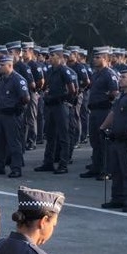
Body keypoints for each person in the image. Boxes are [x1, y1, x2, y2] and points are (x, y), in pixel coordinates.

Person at [100, 65, 127, 212]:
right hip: (117, 139)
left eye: (123, 77)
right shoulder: (122, 95)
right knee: (117, 170)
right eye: (120, 77)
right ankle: (118, 198)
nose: (120, 79)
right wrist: (103, 127)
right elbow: (113, 114)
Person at [35, 46, 76, 174]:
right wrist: (47, 94)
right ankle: (48, 162)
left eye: (52, 56)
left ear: (59, 57)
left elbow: (72, 90)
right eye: (50, 56)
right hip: (51, 105)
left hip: (60, 105)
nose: (50, 58)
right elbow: (46, 85)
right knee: (50, 135)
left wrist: (61, 98)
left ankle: (63, 164)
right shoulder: (50, 70)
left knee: (63, 136)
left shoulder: (64, 70)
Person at [81, 47, 119, 180]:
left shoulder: (109, 74)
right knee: (95, 140)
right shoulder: (96, 73)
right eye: (95, 57)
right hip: (94, 110)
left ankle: (106, 170)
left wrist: (105, 99)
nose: (95, 59)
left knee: (105, 141)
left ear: (105, 59)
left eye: (98, 57)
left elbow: (115, 92)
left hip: (104, 110)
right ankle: (96, 167)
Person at [0, 56, 31, 178]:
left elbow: (26, 98)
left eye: (1, 65)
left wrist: (17, 107)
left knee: (14, 143)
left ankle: (16, 168)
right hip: (1, 114)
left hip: (12, 115)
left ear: (9, 65)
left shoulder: (18, 79)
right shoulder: (2, 79)